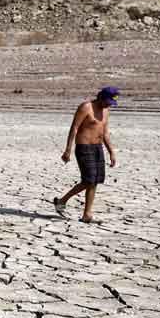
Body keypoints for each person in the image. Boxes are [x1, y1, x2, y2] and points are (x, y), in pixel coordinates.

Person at [53, 87, 119, 223]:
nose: (108, 105)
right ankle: (66, 203)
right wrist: (68, 150)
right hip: (84, 147)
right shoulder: (86, 107)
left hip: (98, 148)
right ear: (100, 97)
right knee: (89, 180)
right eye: (107, 102)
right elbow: (74, 128)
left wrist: (111, 151)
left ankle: (82, 212)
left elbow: (105, 133)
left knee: (94, 181)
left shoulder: (106, 111)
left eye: (110, 103)